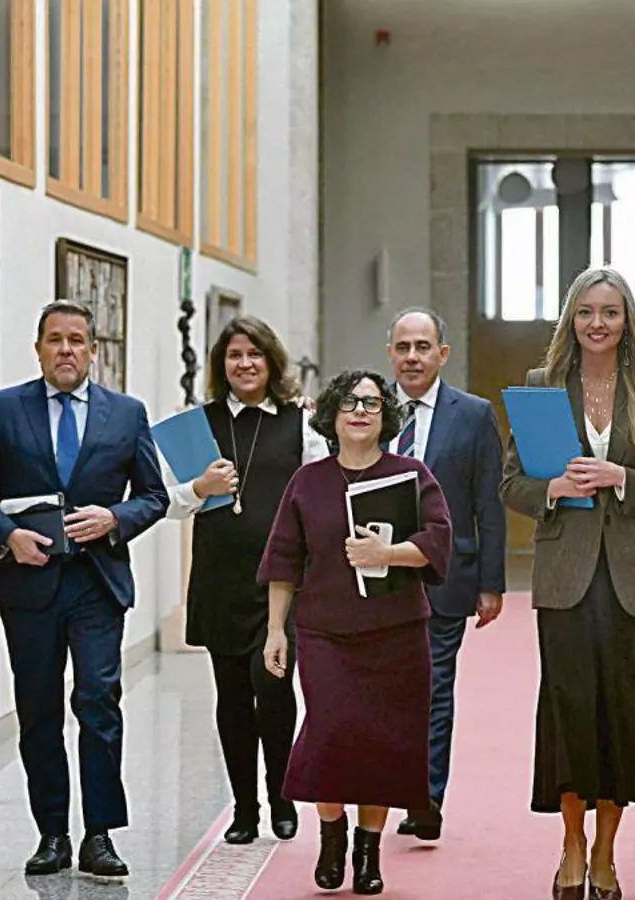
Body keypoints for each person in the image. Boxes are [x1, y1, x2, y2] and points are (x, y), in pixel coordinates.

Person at [0, 300, 169, 879]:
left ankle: (99, 835)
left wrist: (115, 518)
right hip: (29, 584)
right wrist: (6, 536)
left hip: (98, 582)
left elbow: (153, 496)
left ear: (93, 350)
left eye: (76, 340)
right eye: (55, 339)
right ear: (39, 348)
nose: (65, 349)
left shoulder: (126, 414)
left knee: (98, 701)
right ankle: (52, 834)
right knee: (38, 709)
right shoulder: (3, 408)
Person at [500, 266, 635, 900]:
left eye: (610, 312)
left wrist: (621, 478)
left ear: (627, 319)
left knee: (625, 717)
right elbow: (512, 484)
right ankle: (572, 843)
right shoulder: (541, 386)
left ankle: (607, 852)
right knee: (573, 714)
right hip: (566, 576)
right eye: (585, 312)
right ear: (571, 320)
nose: (597, 323)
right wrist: (553, 488)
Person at [257, 368, 453, 895]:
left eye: (371, 402)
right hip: (325, 632)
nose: (360, 411)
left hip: (396, 632)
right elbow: (283, 560)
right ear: (331, 415)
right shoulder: (308, 482)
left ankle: (369, 852)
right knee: (331, 731)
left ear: (386, 415)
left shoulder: (411, 474)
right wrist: (275, 630)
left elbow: (438, 541)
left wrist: (388, 553)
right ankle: (332, 836)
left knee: (383, 742)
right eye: (349, 402)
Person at [161, 315, 328, 845]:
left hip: (281, 583)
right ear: (222, 365)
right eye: (234, 355)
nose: (245, 363)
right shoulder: (198, 423)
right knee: (232, 696)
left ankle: (281, 798)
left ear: (271, 361)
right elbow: (166, 502)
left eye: (254, 354)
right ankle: (244, 809)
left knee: (273, 687)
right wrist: (199, 487)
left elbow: (322, 489)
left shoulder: (300, 421)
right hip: (220, 579)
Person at [383, 307, 508, 842]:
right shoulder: (369, 409)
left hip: (446, 574)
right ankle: (386, 786)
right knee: (386, 688)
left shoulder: (473, 415)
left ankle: (426, 796)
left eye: (422, 347)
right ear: (390, 353)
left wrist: (491, 582)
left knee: (434, 686)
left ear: (442, 353)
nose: (412, 357)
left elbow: (488, 502)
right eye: (403, 347)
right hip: (380, 573)